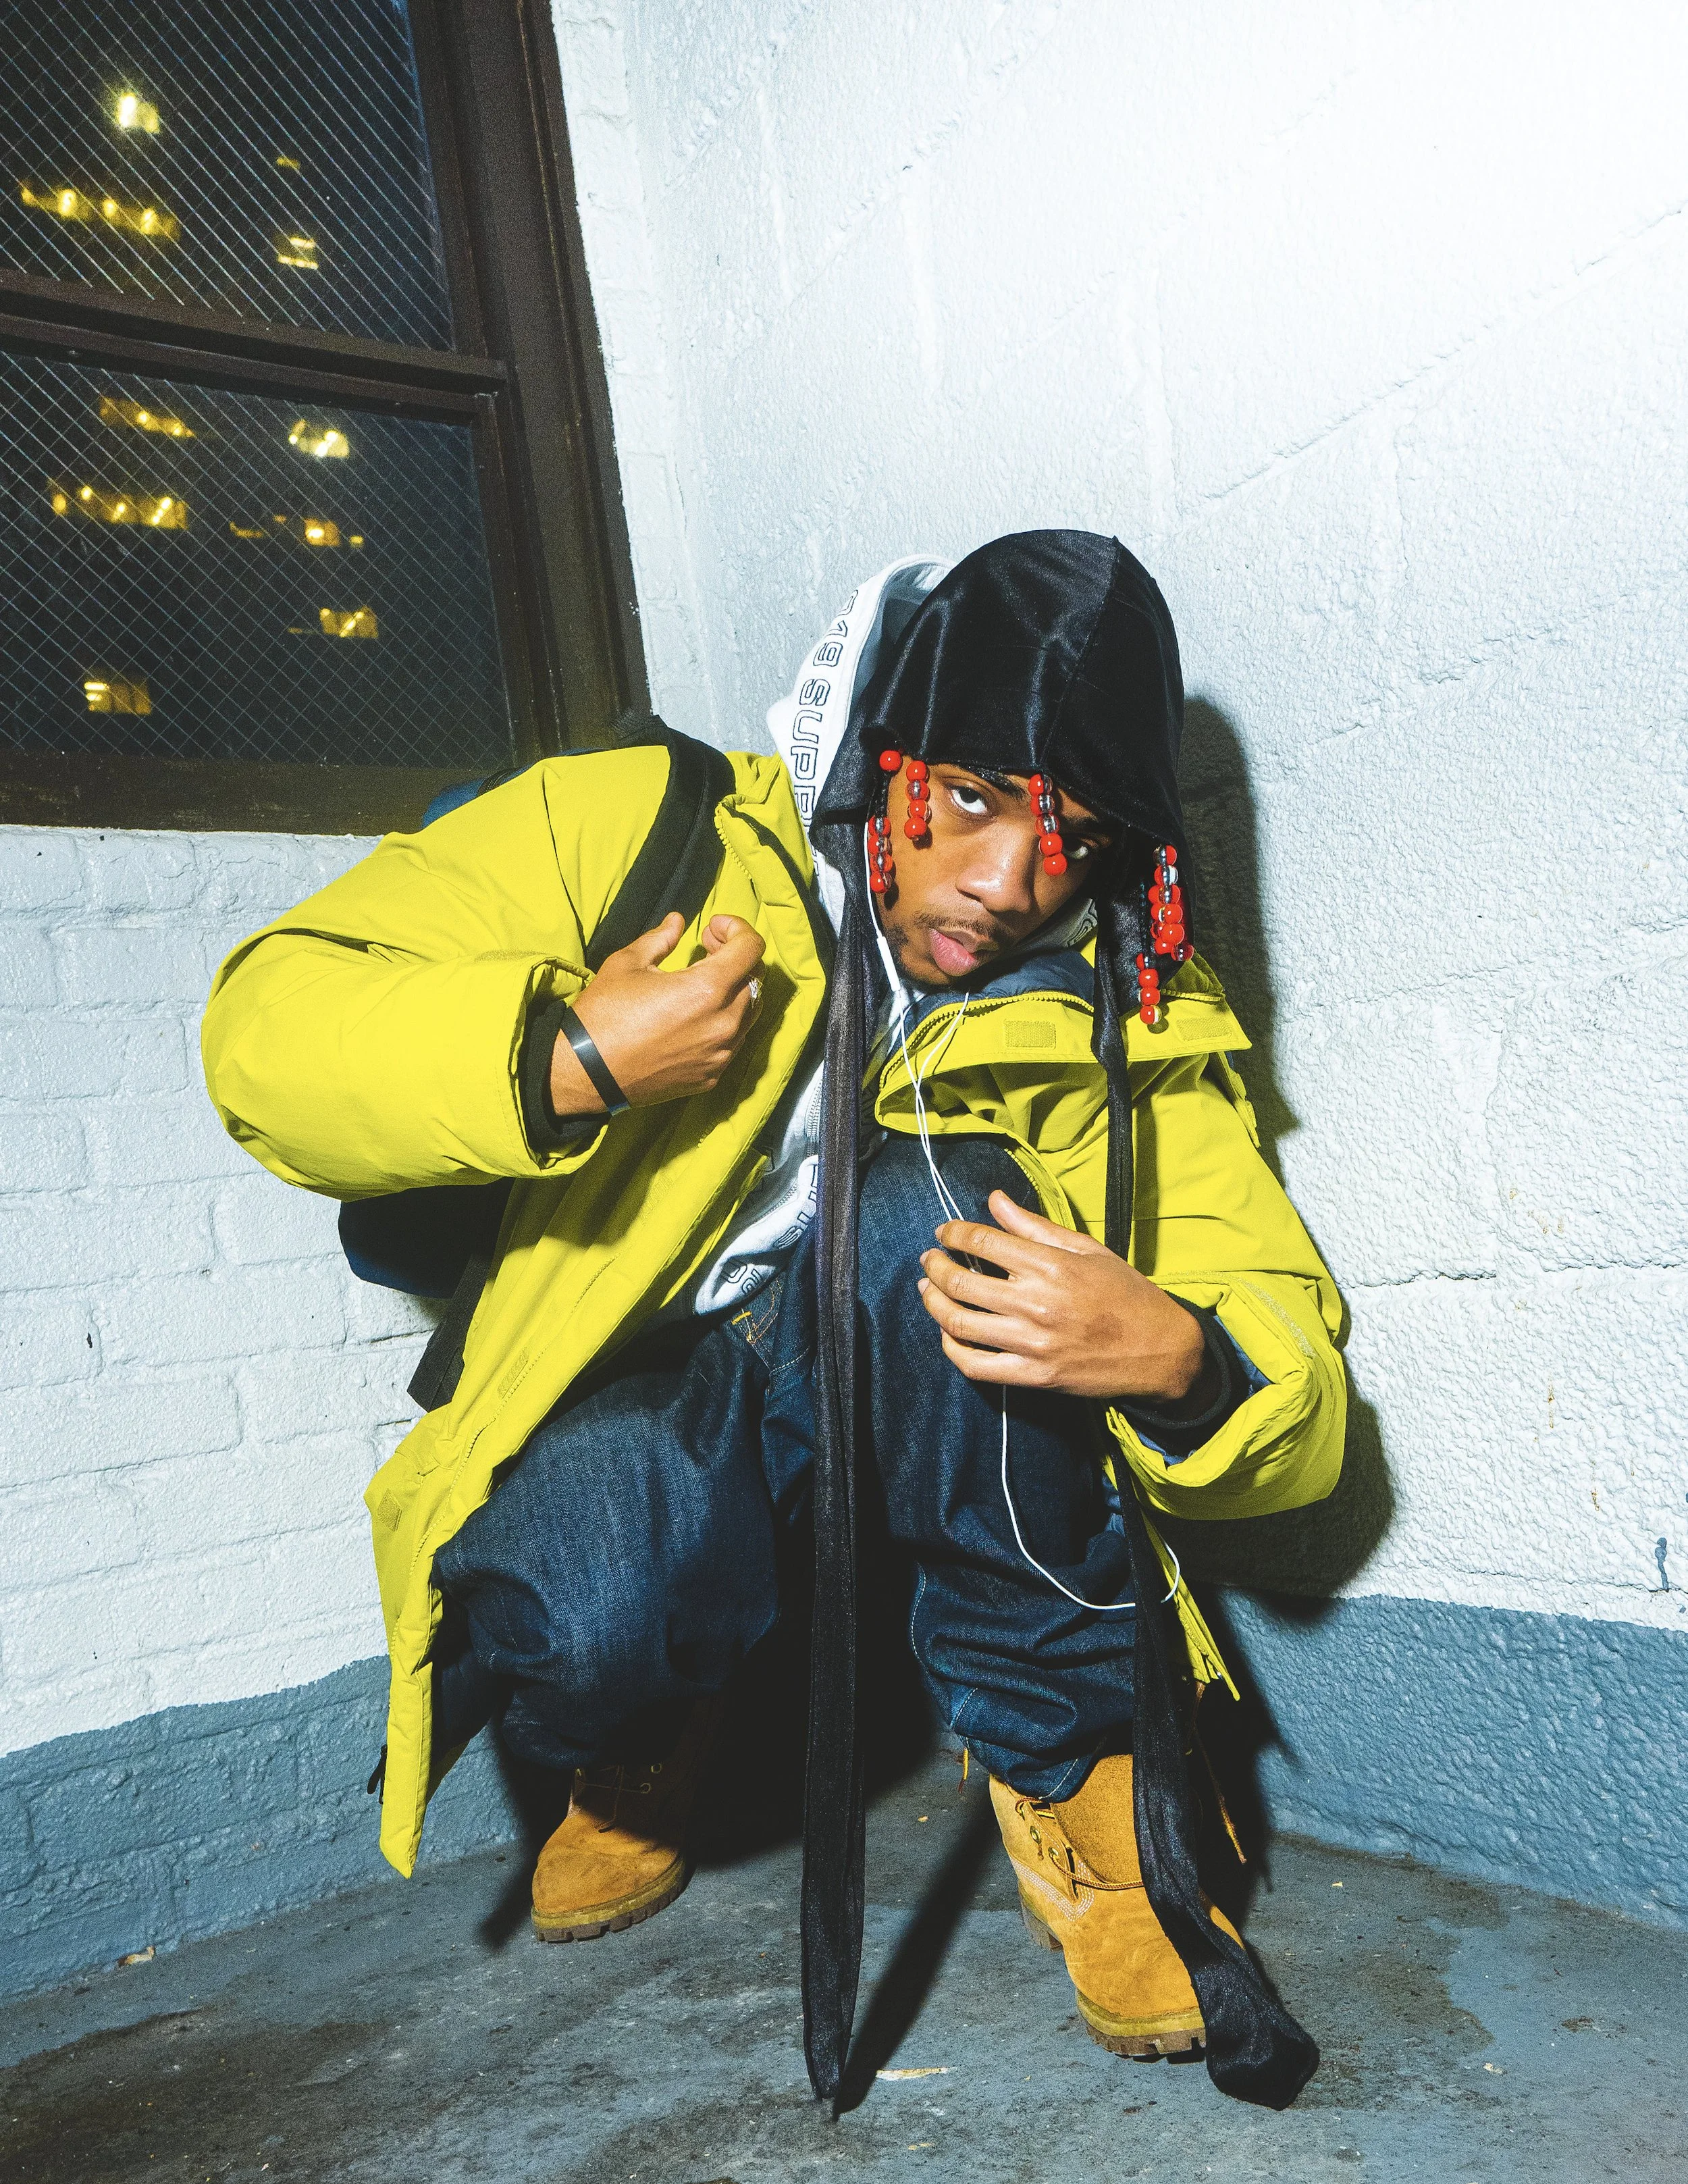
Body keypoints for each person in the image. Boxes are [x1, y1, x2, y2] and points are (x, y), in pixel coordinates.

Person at [202, 531, 1346, 2110]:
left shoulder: (1117, 1014)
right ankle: (653, 1728)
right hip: (658, 1379)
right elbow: (267, 1029)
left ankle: (1078, 1773)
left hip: (904, 1377)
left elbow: (1284, 1356)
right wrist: (561, 1056)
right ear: (884, 758)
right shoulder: (645, 830)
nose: (1005, 885)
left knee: (936, 1206)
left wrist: (1186, 1360)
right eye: (965, 801)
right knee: (586, 1612)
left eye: (1068, 840)